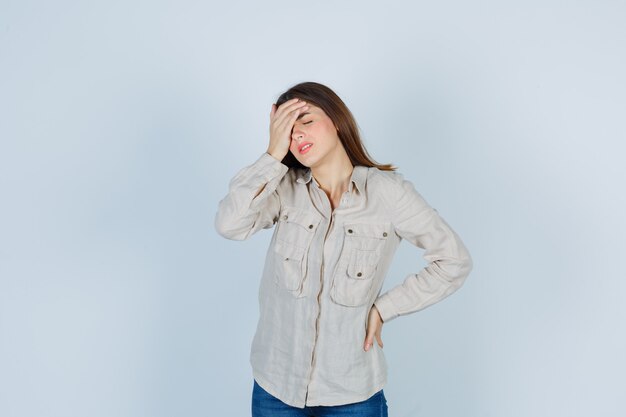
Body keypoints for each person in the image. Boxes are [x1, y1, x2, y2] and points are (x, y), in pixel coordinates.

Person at [214, 81, 473, 417]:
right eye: (287, 131)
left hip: (352, 393)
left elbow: (454, 261)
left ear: (336, 120)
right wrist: (271, 155)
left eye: (306, 121)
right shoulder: (282, 189)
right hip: (275, 388)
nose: (298, 136)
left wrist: (384, 309)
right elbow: (229, 224)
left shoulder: (387, 193)